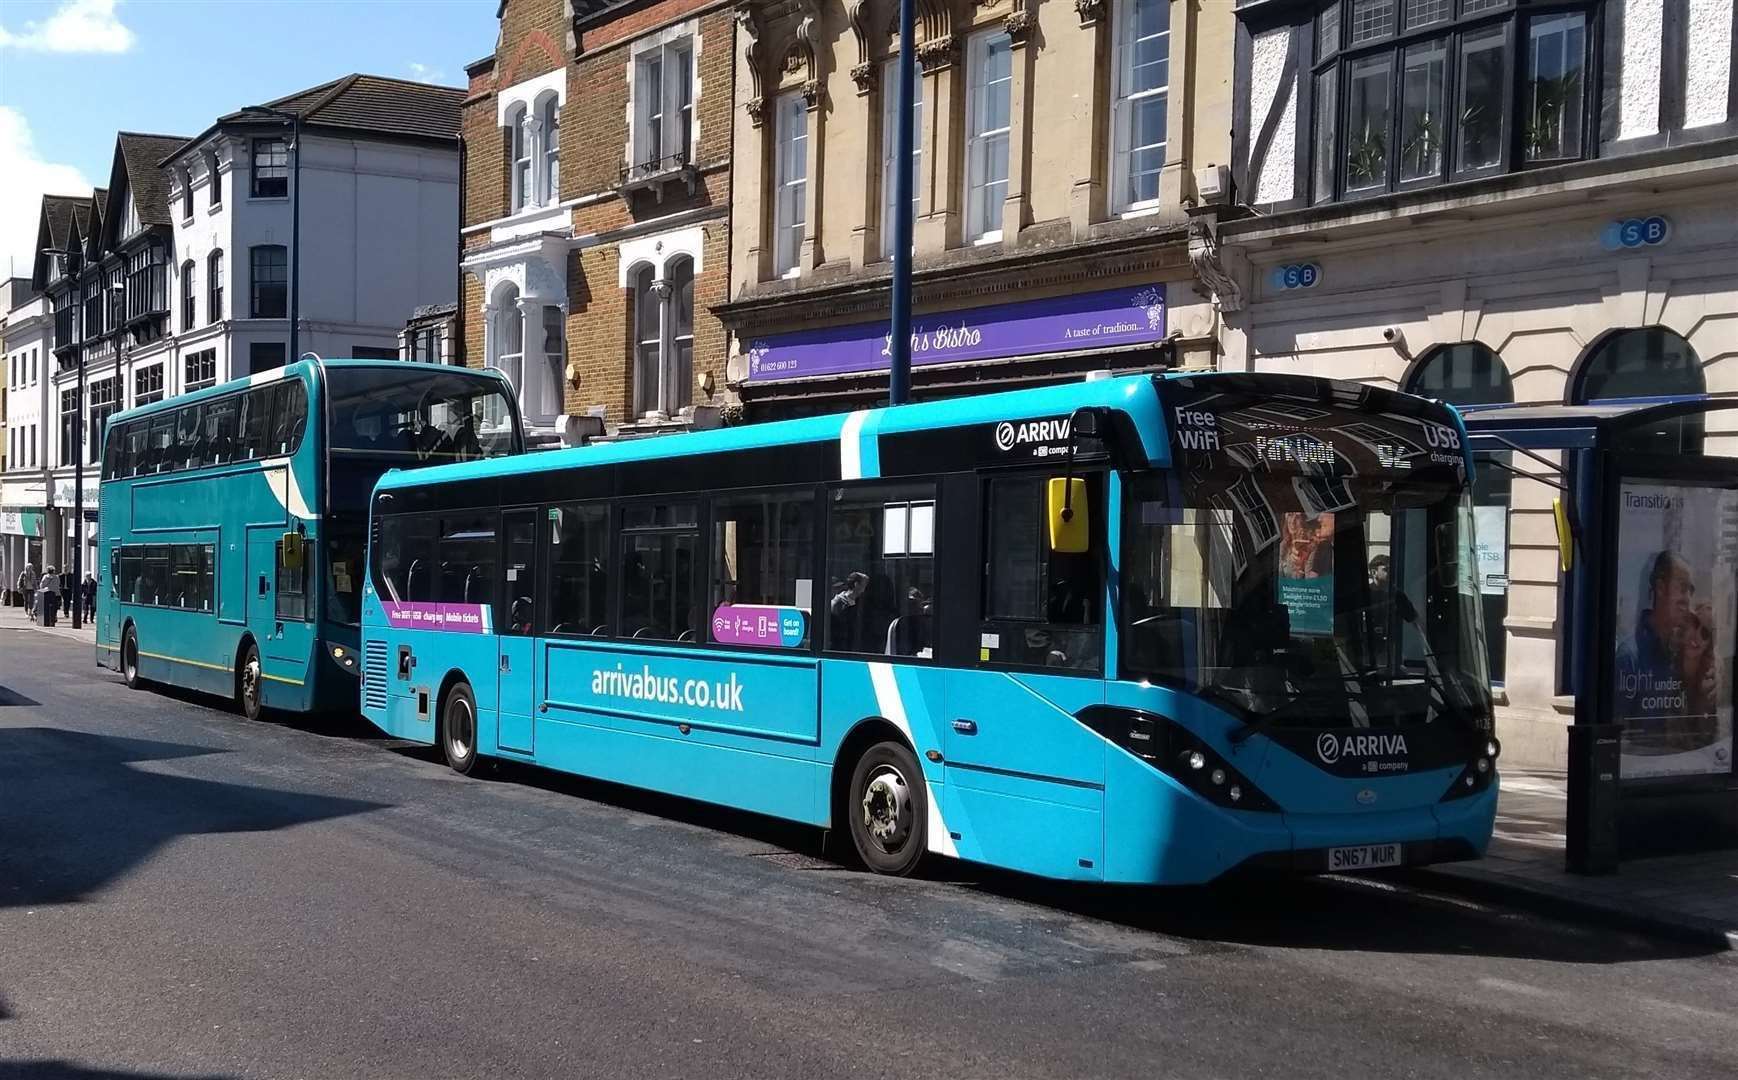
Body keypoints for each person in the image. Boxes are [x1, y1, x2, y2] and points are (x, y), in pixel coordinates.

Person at [1615, 550, 1695, 735]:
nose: (1687, 599)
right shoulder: (1629, 657)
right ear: (1660, 588)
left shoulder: (1679, 655)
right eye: (1682, 589)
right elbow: (1620, 734)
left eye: (1690, 591)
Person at [829, 572, 868, 650]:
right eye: (864, 585)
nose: (864, 589)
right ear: (856, 584)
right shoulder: (837, 604)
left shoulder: (860, 602)